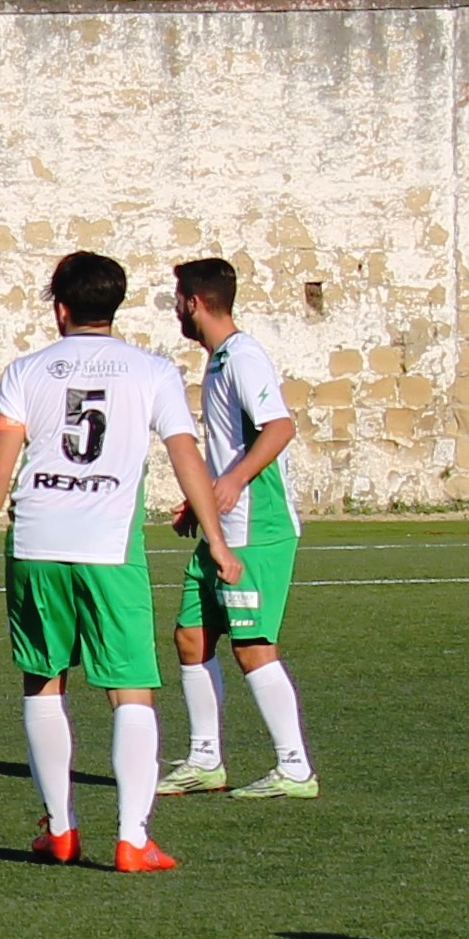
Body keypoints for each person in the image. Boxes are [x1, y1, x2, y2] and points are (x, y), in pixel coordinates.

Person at [0, 251, 241, 873]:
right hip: (110, 550)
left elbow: (0, 466)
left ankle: (60, 830)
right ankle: (132, 838)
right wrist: (218, 541)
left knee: (43, 680)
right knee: (129, 688)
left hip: (36, 544)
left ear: (60, 308)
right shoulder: (153, 370)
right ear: (114, 306)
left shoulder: (25, 371)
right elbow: (186, 456)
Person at [161, 257, 320, 799]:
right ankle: (205, 760)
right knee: (191, 636)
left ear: (194, 303)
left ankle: (294, 767)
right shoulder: (220, 360)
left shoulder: (244, 357)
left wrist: (232, 481)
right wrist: (202, 498)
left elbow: (280, 427)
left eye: (177, 299)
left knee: (252, 646)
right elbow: (233, 444)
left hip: (257, 529)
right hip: (224, 528)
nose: (175, 309)